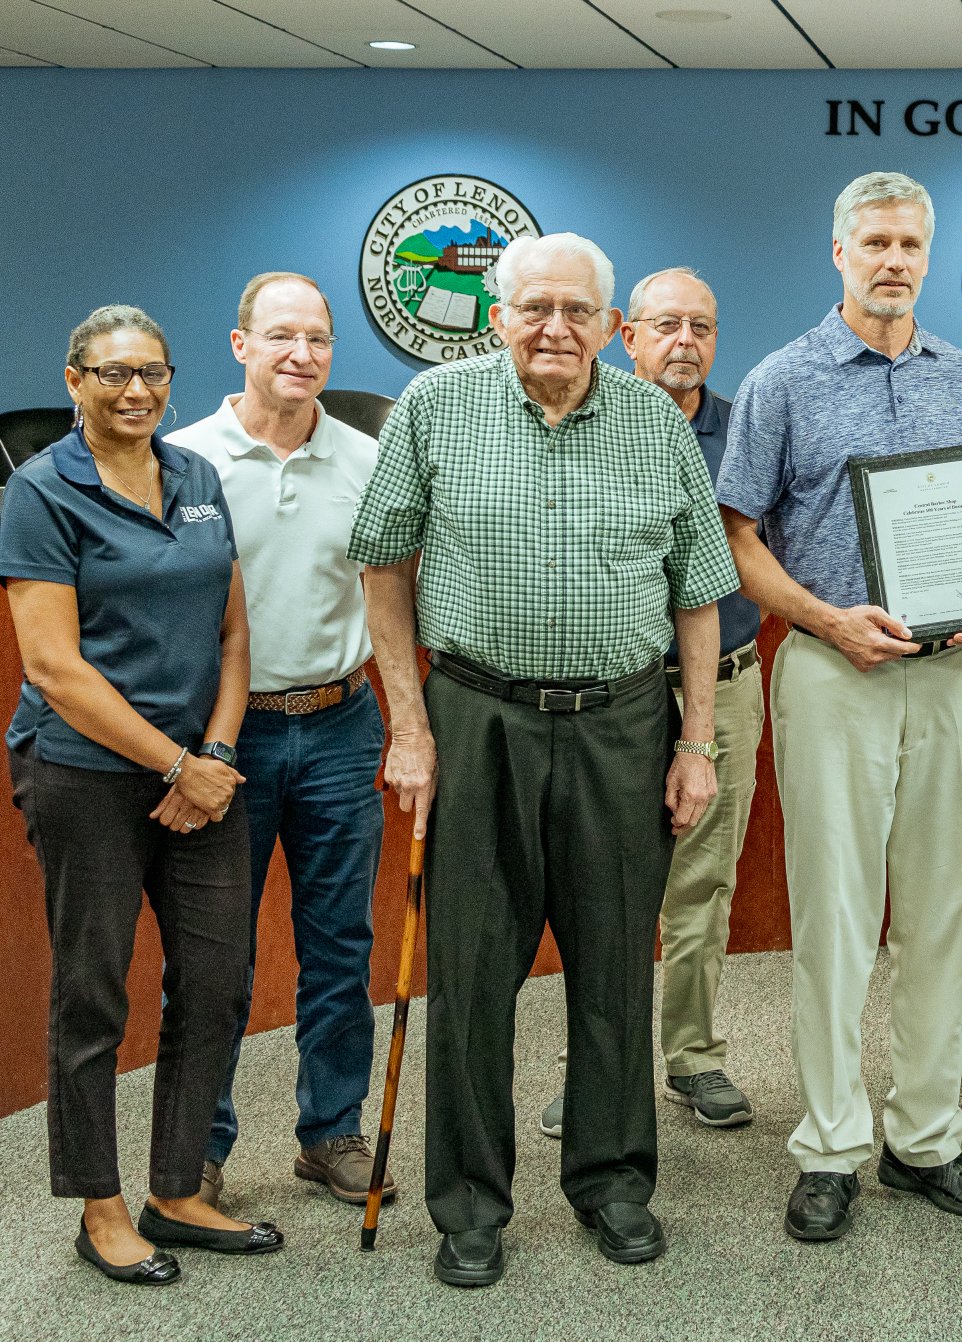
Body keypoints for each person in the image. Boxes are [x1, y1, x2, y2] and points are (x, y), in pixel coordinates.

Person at [351, 232, 737, 1287]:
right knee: (472, 972)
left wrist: (695, 739)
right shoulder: (435, 410)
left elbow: (698, 594)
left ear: (610, 327)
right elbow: (383, 567)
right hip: (476, 718)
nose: (555, 330)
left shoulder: (654, 421)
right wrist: (408, 726)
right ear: (498, 316)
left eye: (576, 312)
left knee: (614, 964)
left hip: (622, 724)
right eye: (535, 310)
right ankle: (470, 1202)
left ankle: (612, 1183)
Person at [718, 172, 962, 1243]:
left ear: (929, 258)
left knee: (942, 910)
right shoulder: (782, 380)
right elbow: (738, 535)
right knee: (836, 917)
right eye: (874, 242)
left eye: (909, 244)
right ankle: (832, 1143)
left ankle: (925, 1135)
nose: (892, 260)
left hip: (952, 675)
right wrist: (827, 619)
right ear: (836, 252)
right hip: (833, 671)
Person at [2, 304, 281, 1285]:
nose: (135, 392)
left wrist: (211, 751)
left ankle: (176, 1188)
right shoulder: (41, 492)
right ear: (74, 379)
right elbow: (54, 665)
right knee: (93, 991)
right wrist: (177, 764)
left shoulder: (197, 476)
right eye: (113, 374)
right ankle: (101, 1205)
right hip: (84, 776)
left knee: (217, 983)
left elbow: (235, 636)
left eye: (152, 373)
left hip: (202, 774)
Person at [167, 272, 390, 1208]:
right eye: (282, 337)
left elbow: (397, 587)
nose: (302, 355)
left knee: (339, 944)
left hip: (341, 725)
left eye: (320, 340)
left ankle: (331, 1131)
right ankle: (199, 1146)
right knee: (213, 958)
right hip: (229, 739)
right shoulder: (180, 460)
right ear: (239, 345)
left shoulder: (368, 457)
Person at [536, 265, 764, 1139]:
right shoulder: (587, 419)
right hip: (613, 696)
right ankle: (599, 1064)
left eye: (702, 327)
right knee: (599, 889)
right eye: (667, 325)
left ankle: (691, 1056)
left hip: (727, 683)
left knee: (704, 880)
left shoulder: (745, 431)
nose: (686, 343)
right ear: (625, 334)